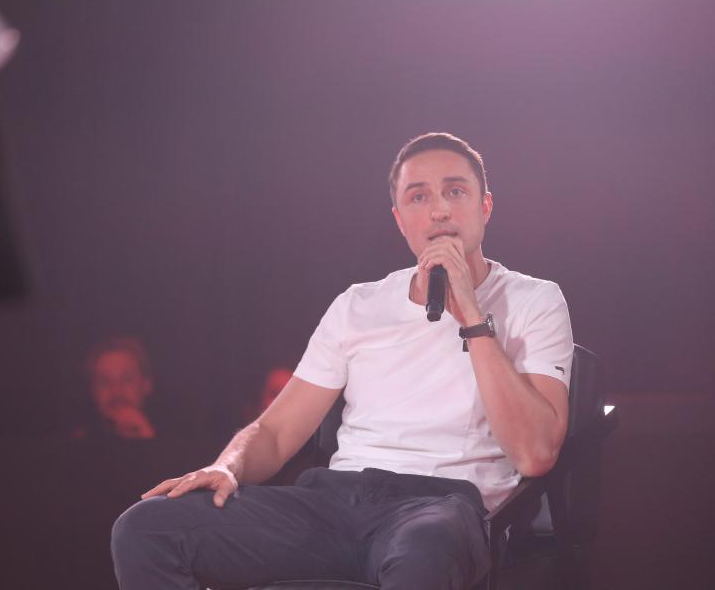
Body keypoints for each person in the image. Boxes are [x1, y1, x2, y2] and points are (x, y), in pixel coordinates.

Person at [111, 132, 574, 589]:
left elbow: (535, 454)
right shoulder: (358, 304)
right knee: (147, 529)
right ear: (400, 220)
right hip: (334, 505)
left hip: (439, 507)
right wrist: (226, 466)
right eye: (418, 196)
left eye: (455, 191)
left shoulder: (534, 300)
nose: (438, 210)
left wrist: (472, 316)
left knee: (425, 552)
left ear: (485, 207)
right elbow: (275, 432)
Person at [74, 335, 156, 440]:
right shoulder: (75, 444)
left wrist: (148, 438)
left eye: (127, 379)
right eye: (104, 381)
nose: (116, 391)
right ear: (92, 391)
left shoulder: (174, 440)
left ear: (146, 385)